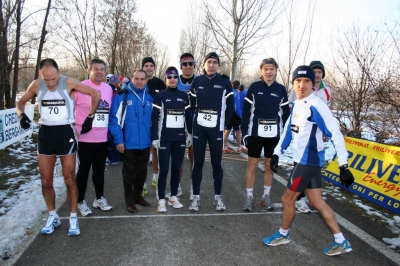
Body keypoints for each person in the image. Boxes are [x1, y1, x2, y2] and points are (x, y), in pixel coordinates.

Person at [262, 65, 354, 256]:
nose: (301, 85)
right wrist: (277, 153)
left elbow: (335, 134)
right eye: (298, 81)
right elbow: (288, 131)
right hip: (302, 161)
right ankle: (341, 241)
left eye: (306, 81)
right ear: (293, 83)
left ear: (313, 84)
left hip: (308, 162)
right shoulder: (296, 104)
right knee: (315, 200)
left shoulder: (316, 105)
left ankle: (283, 234)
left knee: (287, 198)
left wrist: (344, 165)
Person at [16, 58, 101, 236]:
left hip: (65, 134)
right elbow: (20, 102)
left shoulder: (68, 82)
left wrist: (90, 118)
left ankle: (72, 218)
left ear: (59, 72)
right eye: (47, 80)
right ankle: (53, 216)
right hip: (46, 134)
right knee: (46, 181)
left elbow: (95, 94)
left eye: (54, 78)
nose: (51, 83)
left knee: (69, 179)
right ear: (41, 76)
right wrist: (21, 115)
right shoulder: (36, 85)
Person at [241, 58, 290, 212]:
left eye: (272, 69)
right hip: (256, 133)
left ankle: (266, 196)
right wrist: (245, 133)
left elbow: (286, 116)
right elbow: (246, 113)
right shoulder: (254, 87)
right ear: (261, 71)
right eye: (266, 69)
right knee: (252, 165)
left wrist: (285, 137)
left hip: (274, 135)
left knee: (269, 166)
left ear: (276, 70)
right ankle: (249, 197)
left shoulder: (281, 89)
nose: (269, 72)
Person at [189, 52, 234, 211]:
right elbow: (192, 106)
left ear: (218, 65)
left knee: (217, 163)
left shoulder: (224, 82)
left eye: (215, 62)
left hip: (216, 129)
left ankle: (218, 198)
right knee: (198, 163)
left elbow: (231, 107)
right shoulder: (197, 81)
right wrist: (191, 127)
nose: (212, 65)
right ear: (204, 64)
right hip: (199, 128)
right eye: (209, 62)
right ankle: (195, 198)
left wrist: (224, 125)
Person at [288, 60, 331, 213]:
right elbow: (292, 108)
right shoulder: (300, 86)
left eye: (320, 72)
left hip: (317, 133)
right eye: (315, 72)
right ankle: (299, 198)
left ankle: (313, 193)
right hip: (301, 131)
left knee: (314, 163)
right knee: (299, 163)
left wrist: (325, 131)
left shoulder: (326, 90)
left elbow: (327, 112)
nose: (318, 74)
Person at [108, 69, 153, 213]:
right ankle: (129, 201)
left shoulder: (150, 97)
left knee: (142, 172)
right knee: (129, 174)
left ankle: (138, 196)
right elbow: (114, 120)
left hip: (145, 143)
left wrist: (153, 140)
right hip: (128, 143)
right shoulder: (122, 96)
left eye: (142, 79)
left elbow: (154, 121)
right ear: (131, 79)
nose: (139, 81)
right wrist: (119, 141)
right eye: (136, 78)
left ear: (146, 80)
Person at [75, 58, 113, 217]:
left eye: (102, 69)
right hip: (85, 139)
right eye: (95, 69)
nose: (99, 72)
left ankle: (98, 198)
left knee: (99, 171)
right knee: (83, 171)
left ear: (105, 72)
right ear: (89, 71)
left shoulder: (108, 88)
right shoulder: (80, 87)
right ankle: (80, 201)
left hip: (102, 139)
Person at [151, 66, 193, 212]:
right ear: (165, 78)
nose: (173, 79)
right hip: (164, 139)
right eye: (169, 77)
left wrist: (189, 134)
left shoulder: (183, 96)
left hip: (180, 138)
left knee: (176, 169)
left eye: (175, 77)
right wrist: (155, 138)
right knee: (164, 170)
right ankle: (161, 199)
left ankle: (173, 196)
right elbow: (155, 118)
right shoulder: (160, 96)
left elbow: (187, 117)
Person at [142, 57, 166, 189]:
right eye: (146, 65)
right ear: (143, 67)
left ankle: (155, 177)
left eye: (151, 65)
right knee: (144, 152)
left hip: (156, 121)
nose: (149, 68)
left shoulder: (160, 83)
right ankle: (142, 182)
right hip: (142, 123)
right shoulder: (138, 82)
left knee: (155, 150)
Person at [175, 52, 197, 200]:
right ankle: (176, 186)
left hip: (196, 124)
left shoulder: (200, 81)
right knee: (178, 158)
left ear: (194, 65)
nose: (188, 66)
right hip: (178, 124)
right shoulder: (175, 81)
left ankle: (193, 187)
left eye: (190, 64)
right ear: (181, 66)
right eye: (185, 64)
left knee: (193, 157)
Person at [222, 80, 247, 153]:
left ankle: (224, 147)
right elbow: (236, 105)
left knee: (228, 131)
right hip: (234, 114)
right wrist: (239, 115)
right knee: (237, 131)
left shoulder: (230, 91)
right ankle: (238, 147)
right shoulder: (235, 93)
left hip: (229, 113)